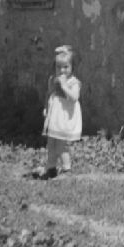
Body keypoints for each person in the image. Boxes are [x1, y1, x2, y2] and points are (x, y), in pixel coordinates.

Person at [37, 45, 82, 179]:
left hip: (65, 118)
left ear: (72, 67)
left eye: (66, 67)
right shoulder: (53, 79)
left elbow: (74, 98)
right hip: (54, 117)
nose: (62, 70)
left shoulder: (74, 82)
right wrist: (46, 107)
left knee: (61, 146)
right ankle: (51, 168)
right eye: (58, 67)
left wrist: (64, 86)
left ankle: (67, 169)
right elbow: (49, 94)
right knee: (51, 144)